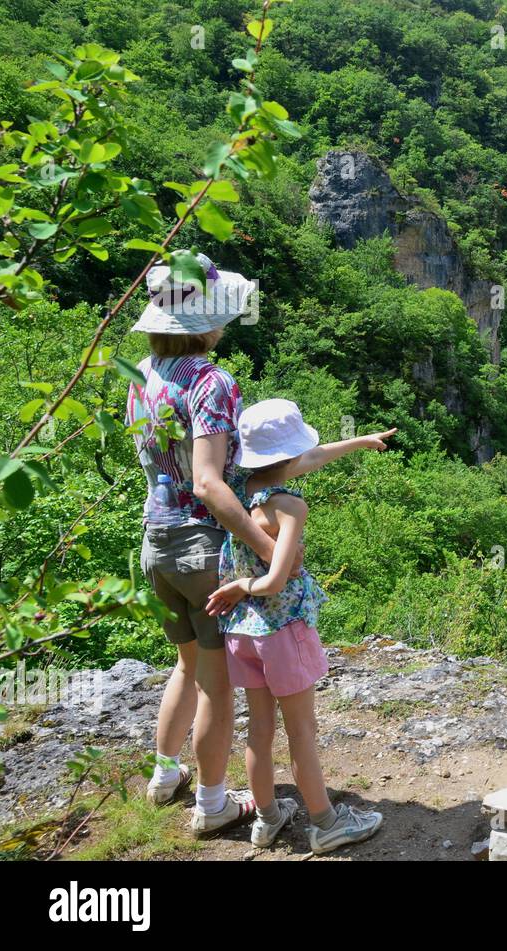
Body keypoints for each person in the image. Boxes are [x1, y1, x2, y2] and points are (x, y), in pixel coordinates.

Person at [126, 252, 292, 837]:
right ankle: (214, 804)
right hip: (200, 547)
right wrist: (269, 551)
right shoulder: (213, 382)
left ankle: (164, 773)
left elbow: (159, 466)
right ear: (205, 322)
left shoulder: (142, 374)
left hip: (154, 541)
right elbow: (207, 480)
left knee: (186, 663)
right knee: (215, 686)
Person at [205, 399, 395, 852]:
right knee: (302, 732)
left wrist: (359, 442)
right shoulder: (290, 506)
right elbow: (274, 580)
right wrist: (244, 585)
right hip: (283, 629)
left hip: (243, 633)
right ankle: (325, 821)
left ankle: (266, 819)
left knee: (259, 730)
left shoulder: (242, 485)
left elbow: (306, 458)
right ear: (288, 457)